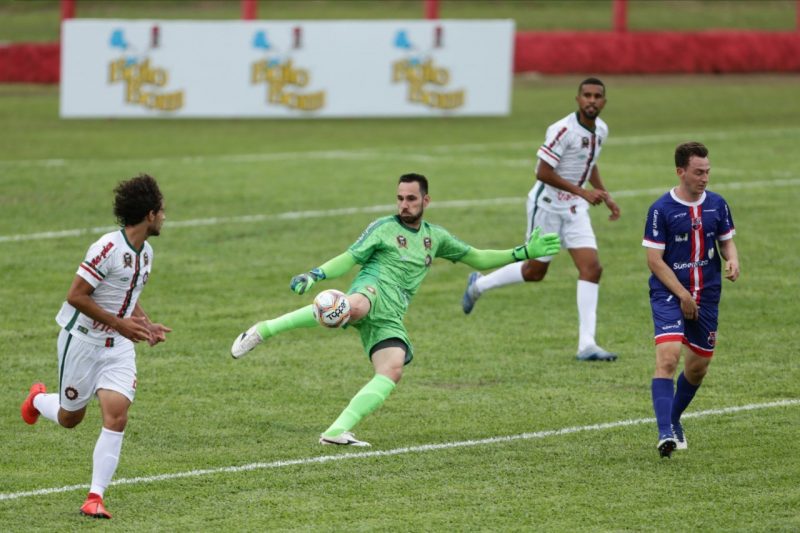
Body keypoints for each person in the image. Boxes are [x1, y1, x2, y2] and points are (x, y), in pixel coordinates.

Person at [231, 173, 561, 447]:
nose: (404, 205)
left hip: (391, 316)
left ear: (425, 201)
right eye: (400, 198)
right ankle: (264, 329)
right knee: (352, 306)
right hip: (371, 291)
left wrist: (524, 251)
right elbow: (350, 258)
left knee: (392, 370)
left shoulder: (436, 238)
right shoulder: (383, 228)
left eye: (411, 199)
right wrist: (315, 274)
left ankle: (335, 432)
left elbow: (478, 257)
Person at [20, 174, 172, 519]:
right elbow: (75, 296)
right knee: (70, 417)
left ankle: (95, 496)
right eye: (161, 211)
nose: (164, 216)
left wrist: (145, 325)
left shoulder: (146, 253)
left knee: (116, 416)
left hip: (117, 346)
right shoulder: (107, 249)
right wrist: (121, 323)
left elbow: (127, 298)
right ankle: (37, 399)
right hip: (82, 342)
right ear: (149, 214)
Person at [460, 78, 620, 362]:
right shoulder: (562, 130)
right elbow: (542, 172)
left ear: (604, 102)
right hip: (546, 206)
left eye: (597, 96)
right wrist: (582, 191)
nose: (592, 100)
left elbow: (589, 162)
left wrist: (604, 194)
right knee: (535, 272)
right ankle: (479, 285)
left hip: (574, 211)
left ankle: (587, 344)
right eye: (587, 95)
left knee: (592, 268)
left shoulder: (602, 130)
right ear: (577, 98)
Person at [643, 142, 739, 458]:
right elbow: (655, 261)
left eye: (708, 171)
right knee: (668, 358)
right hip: (670, 294)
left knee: (698, 368)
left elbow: (726, 240)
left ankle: (673, 418)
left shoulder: (718, 204)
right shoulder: (661, 209)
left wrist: (732, 260)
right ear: (681, 171)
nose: (705, 178)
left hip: (707, 296)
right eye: (698, 172)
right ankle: (664, 434)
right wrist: (682, 294)